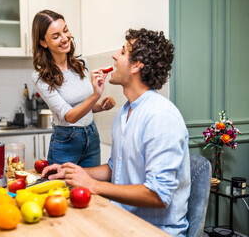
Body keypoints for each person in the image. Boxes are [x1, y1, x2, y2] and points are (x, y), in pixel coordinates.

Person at [42, 28, 191, 236]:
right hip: (123, 220)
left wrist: (93, 185)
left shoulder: (161, 116)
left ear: (137, 66)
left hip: (155, 230)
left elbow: (158, 194)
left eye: (122, 52)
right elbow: (116, 168)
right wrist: (72, 173)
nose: (114, 56)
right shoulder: (125, 112)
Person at [31, 10, 115, 168]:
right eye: (55, 36)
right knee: (61, 190)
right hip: (66, 141)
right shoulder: (41, 76)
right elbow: (69, 116)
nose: (64, 39)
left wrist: (101, 106)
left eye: (65, 30)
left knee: (90, 190)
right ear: (43, 42)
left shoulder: (81, 63)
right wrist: (95, 96)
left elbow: (83, 107)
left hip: (91, 135)